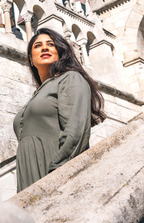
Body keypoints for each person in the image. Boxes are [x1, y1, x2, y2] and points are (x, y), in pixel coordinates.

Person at [13, 27, 106, 191]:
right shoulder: (38, 94)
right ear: (31, 59)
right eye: (38, 46)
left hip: (53, 173)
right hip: (28, 178)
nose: (44, 48)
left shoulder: (71, 78)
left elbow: (75, 131)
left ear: (60, 53)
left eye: (50, 44)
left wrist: (57, 174)